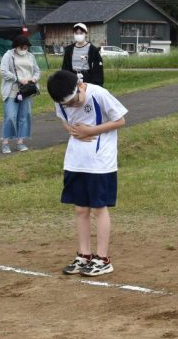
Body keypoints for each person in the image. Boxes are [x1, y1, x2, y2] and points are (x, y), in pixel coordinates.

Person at [46, 69, 127, 277]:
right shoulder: (60, 100)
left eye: (74, 101)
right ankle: (84, 254)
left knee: (99, 208)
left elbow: (120, 120)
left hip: (100, 162)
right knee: (80, 209)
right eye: (67, 104)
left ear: (80, 87)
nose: (72, 106)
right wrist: (72, 130)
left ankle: (103, 258)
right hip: (75, 160)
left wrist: (91, 131)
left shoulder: (98, 94)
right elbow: (63, 118)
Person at [0, 34, 40, 154]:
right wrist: (17, 78)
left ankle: (20, 142)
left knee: (24, 116)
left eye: (26, 47)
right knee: (10, 116)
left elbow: (37, 71)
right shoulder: (8, 55)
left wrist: (34, 79)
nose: (24, 50)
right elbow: (3, 71)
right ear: (16, 46)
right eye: (22, 47)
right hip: (12, 91)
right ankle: (5, 143)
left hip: (26, 91)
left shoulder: (31, 56)